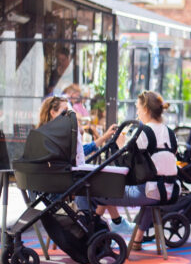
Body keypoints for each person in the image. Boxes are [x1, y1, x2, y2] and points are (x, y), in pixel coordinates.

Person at [76, 90, 180, 249]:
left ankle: (89, 234)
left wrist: (121, 144)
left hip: (149, 191)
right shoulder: (170, 132)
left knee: (89, 192)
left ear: (145, 109)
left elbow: (128, 168)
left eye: (138, 107)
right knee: (146, 196)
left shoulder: (144, 132)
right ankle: (136, 238)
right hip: (171, 190)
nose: (137, 111)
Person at [38, 96, 133, 234]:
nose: (68, 115)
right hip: (62, 182)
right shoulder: (58, 134)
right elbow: (73, 155)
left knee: (102, 182)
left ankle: (106, 223)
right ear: (53, 112)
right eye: (65, 111)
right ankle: (103, 224)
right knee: (104, 184)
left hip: (60, 179)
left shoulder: (46, 131)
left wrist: (104, 137)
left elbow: (79, 152)